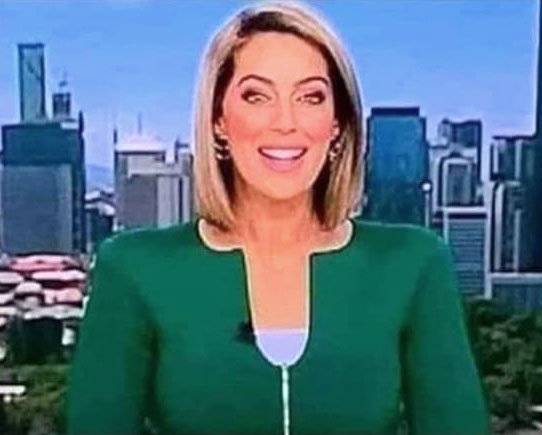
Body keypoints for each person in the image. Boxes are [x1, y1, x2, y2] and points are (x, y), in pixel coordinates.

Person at [66, 1, 490, 434]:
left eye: (310, 97)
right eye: (257, 96)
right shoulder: (134, 268)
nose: (286, 122)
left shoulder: (412, 263)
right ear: (218, 119)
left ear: (337, 123)